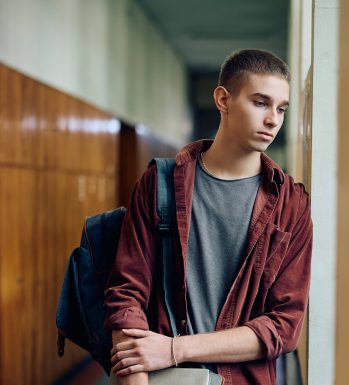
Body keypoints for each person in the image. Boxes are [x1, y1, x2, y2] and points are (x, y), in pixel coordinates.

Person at [104, 49, 313, 385]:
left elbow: (284, 327)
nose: (273, 119)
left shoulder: (292, 204)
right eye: (260, 102)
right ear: (223, 99)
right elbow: (127, 294)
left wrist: (175, 349)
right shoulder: (161, 184)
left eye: (281, 108)